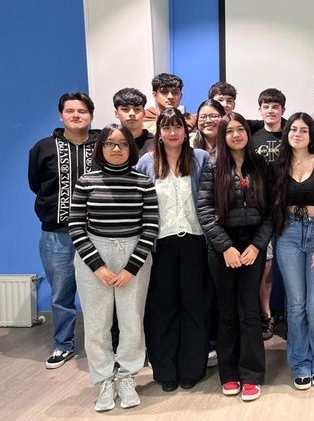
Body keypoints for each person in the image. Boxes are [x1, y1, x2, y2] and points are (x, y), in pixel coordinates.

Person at [68, 124, 158, 411]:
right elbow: (75, 226)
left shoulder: (142, 182)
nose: (116, 149)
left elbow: (151, 226)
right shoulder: (86, 181)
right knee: (97, 324)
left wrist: (131, 267)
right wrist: (98, 267)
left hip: (134, 255)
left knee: (132, 321)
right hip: (94, 254)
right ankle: (104, 380)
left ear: (131, 148)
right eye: (110, 144)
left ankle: (128, 375)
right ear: (101, 148)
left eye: (122, 144)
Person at [197, 112, 273, 401]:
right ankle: (229, 374)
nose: (236, 135)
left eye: (241, 129)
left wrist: (256, 247)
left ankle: (252, 374)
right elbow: (204, 210)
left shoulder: (261, 165)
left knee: (250, 312)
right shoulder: (212, 166)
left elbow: (270, 212)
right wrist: (225, 247)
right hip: (222, 247)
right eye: (230, 131)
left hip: (254, 244)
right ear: (222, 135)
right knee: (227, 311)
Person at [137, 108, 211, 392]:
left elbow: (209, 200)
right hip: (161, 245)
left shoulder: (200, 159)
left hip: (194, 241)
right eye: (166, 127)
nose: (172, 132)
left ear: (186, 130)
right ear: (159, 132)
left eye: (177, 126)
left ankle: (192, 368)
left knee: (194, 307)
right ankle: (165, 369)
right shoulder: (146, 163)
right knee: (162, 309)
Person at [28, 92, 98, 369]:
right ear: (61, 115)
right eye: (70, 111)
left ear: (90, 114)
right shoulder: (43, 147)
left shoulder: (104, 143)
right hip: (57, 233)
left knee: (101, 292)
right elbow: (36, 184)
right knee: (61, 292)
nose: (76, 115)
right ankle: (63, 344)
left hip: (98, 232)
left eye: (82, 110)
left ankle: (102, 346)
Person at [272, 112, 314, 390]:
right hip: (288, 234)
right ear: (287, 133)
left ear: (311, 134)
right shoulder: (279, 163)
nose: (297, 134)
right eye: (293, 130)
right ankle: (300, 362)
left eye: (303, 130)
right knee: (296, 305)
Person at [251, 88, 288, 340]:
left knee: (279, 265)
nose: (271, 110)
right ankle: (265, 315)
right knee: (264, 265)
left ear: (282, 110)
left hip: (287, 209)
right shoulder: (253, 136)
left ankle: (284, 312)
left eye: (275, 106)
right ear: (260, 109)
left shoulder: (291, 134)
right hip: (261, 211)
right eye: (266, 106)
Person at [113, 87, 154, 156]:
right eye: (125, 109)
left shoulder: (156, 144)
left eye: (137, 109)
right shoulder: (109, 143)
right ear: (116, 113)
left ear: (144, 113)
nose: (132, 114)